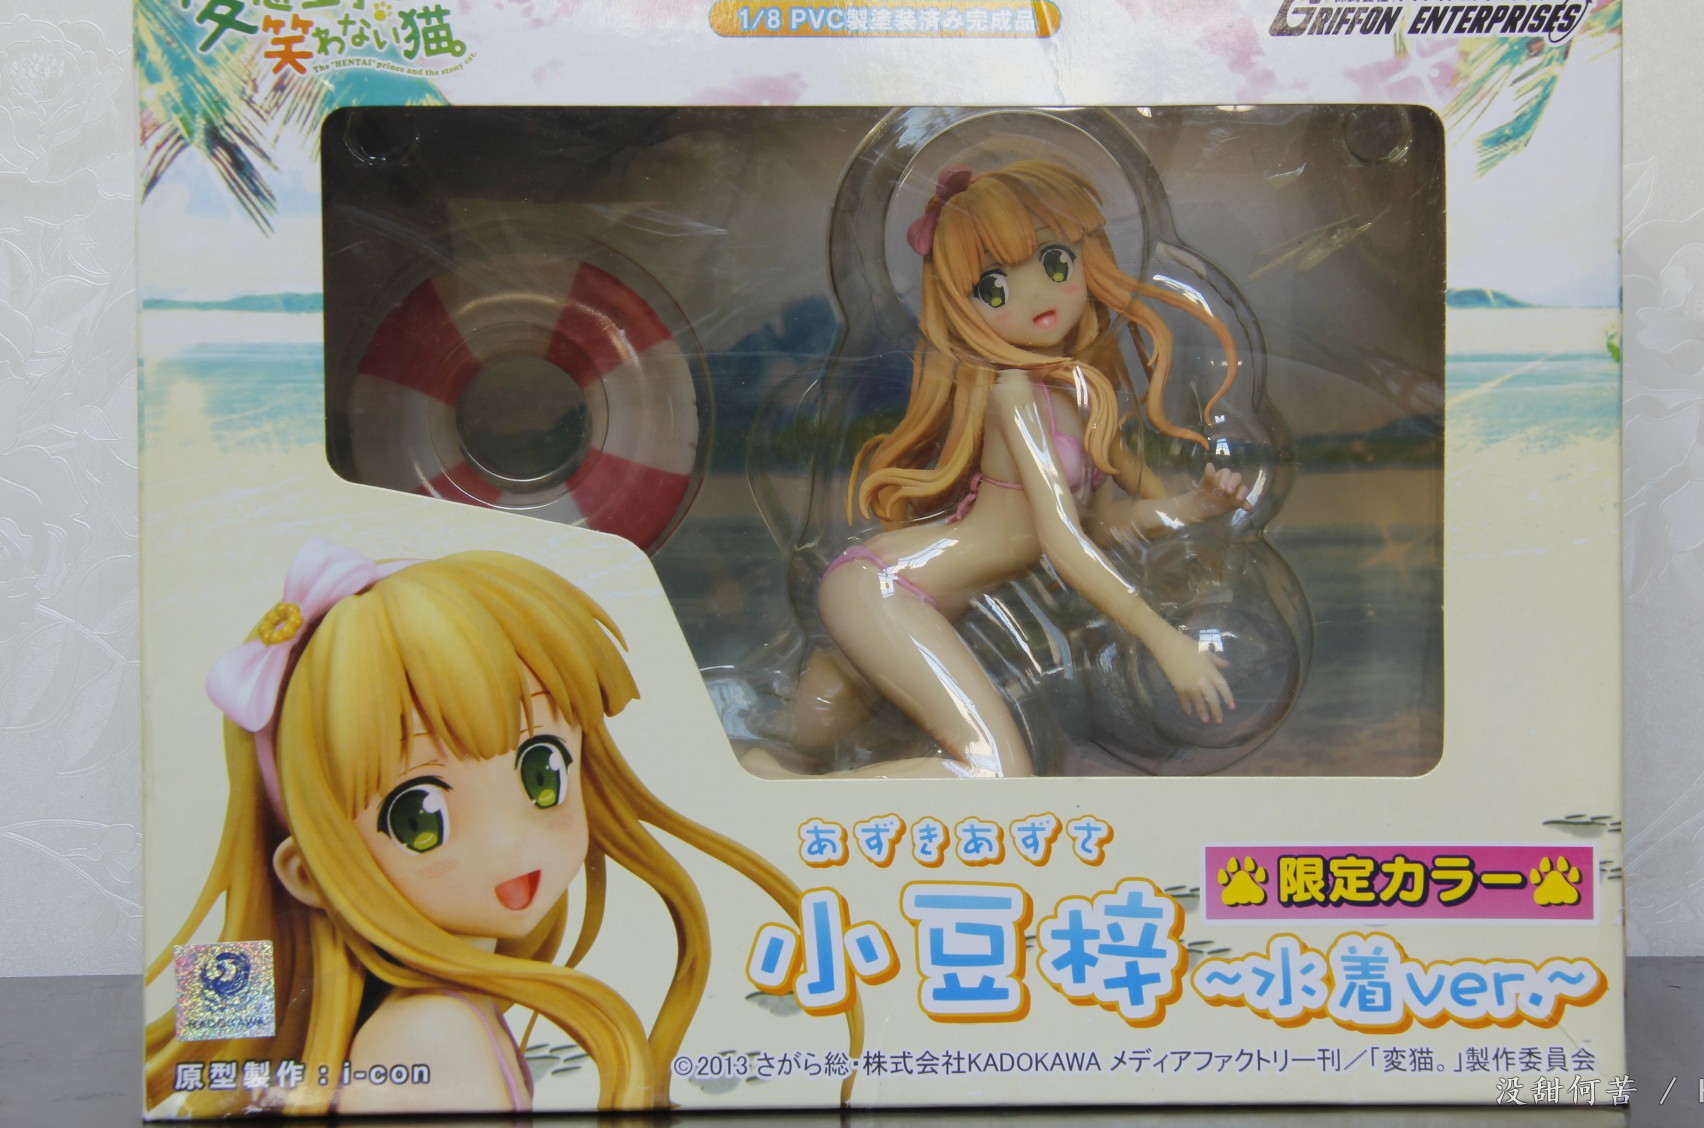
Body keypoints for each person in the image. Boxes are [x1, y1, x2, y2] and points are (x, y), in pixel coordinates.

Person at [146, 541, 849, 1113]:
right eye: (419, 817)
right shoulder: (430, 1034)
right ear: (308, 872)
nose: (512, 841)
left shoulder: (448, 1018)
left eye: (542, 771)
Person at [787, 161, 1249, 778]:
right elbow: (1061, 541)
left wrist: (1195, 507)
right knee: (997, 774)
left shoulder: (1082, 394)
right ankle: (772, 795)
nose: (1036, 298)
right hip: (888, 589)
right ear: (963, 306)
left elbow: (1100, 526)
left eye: (1055, 264)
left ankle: (774, 776)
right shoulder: (1014, 395)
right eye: (995, 289)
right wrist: (1164, 641)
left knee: (813, 739)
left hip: (923, 601)